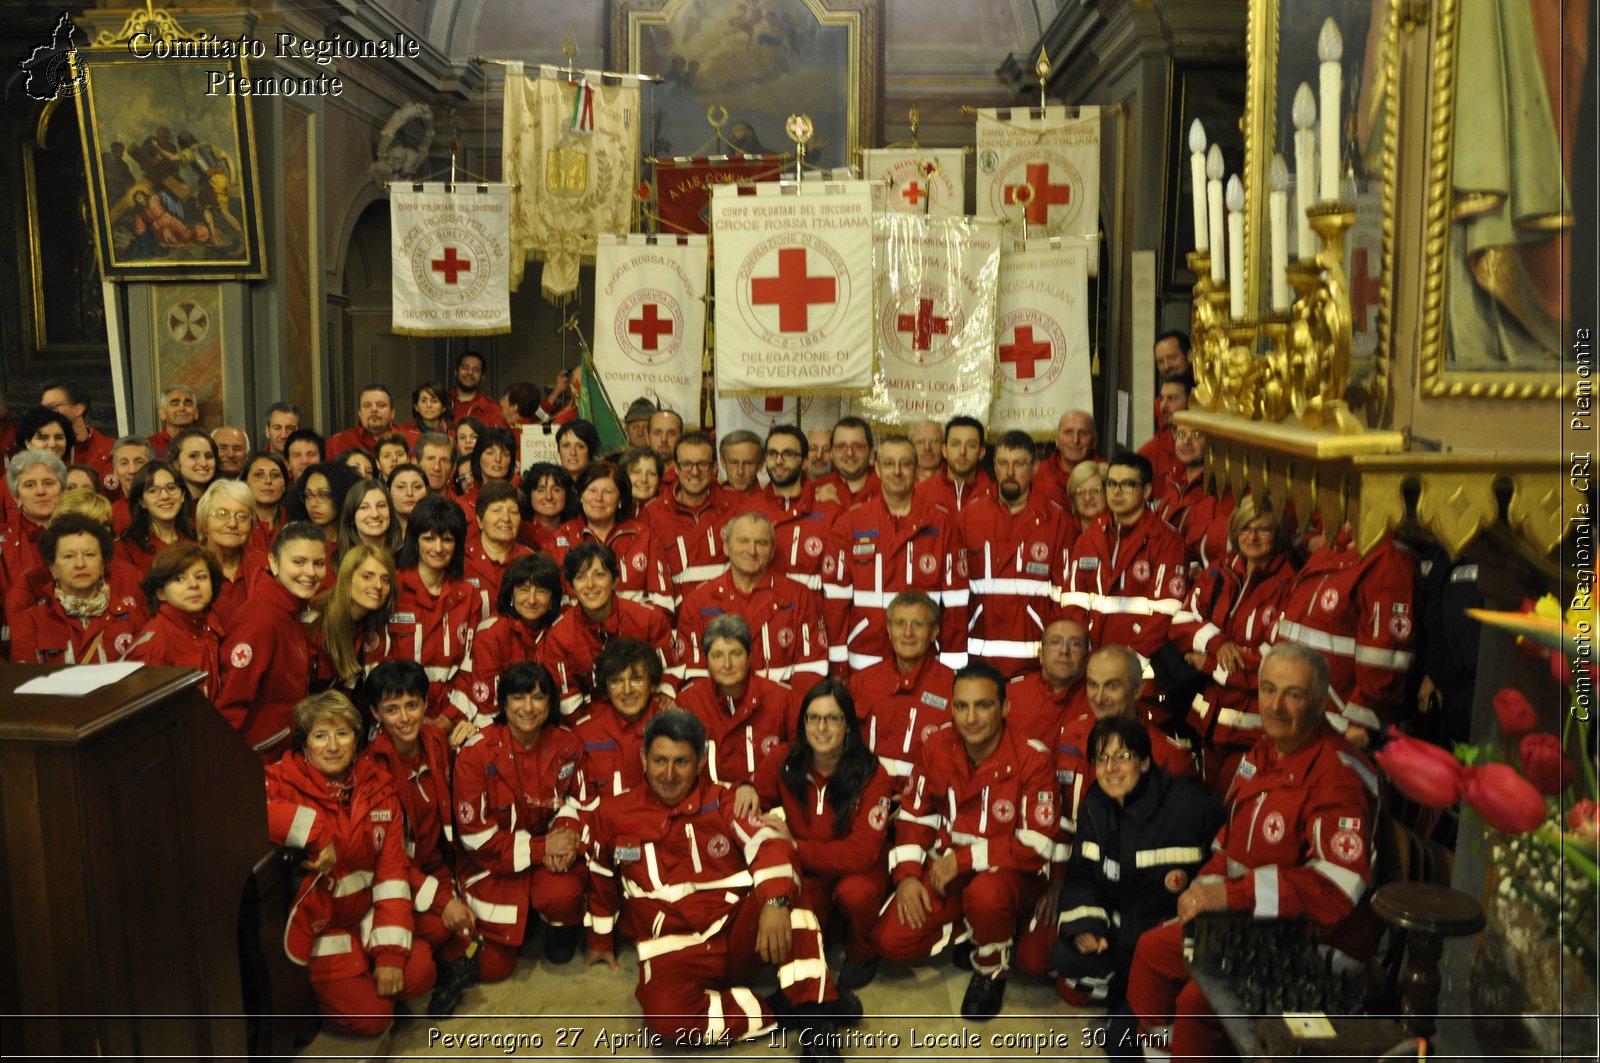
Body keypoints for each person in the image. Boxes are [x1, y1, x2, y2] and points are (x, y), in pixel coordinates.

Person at [1127, 644, 1380, 1057]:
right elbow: (1229, 846)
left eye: (1293, 694)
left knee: (1196, 1000)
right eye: (1268, 689)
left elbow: (1336, 890)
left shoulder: (1339, 776)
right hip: (1248, 923)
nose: (1276, 705)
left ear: (1319, 701)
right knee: (1151, 951)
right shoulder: (1262, 753)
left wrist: (1230, 895)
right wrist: (1203, 894)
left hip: (1314, 942)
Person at [572, 708, 860, 1051]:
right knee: (666, 1022)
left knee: (786, 887)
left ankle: (817, 1024)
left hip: (739, 935)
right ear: (643, 758)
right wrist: (601, 940)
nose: (668, 774)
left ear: (699, 762)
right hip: (672, 950)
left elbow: (769, 844)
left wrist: (775, 904)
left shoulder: (724, 799)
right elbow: (601, 874)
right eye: (660, 760)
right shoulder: (613, 813)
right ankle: (785, 1010)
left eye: (681, 762)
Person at [870, 661, 1058, 1021]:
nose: (970, 718)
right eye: (961, 706)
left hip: (1011, 876)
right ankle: (979, 928)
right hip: (949, 871)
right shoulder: (937, 745)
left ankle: (991, 968)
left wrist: (966, 859)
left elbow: (1038, 843)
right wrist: (908, 875)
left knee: (987, 895)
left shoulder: (1033, 757)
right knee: (889, 940)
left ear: (1004, 708)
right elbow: (914, 814)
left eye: (983, 705)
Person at [264, 691, 436, 1035]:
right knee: (373, 1018)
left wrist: (389, 957)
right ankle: (324, 999)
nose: (332, 746)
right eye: (320, 735)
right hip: (320, 934)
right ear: (303, 743)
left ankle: (369, 982)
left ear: (357, 740)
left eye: (342, 733)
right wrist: (313, 831)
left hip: (363, 916)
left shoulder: (377, 787)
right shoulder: (281, 780)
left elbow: (391, 878)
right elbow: (242, 807)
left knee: (420, 972)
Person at [1040, 715, 1222, 1026]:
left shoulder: (1188, 805)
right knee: (1065, 956)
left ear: (1146, 762)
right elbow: (1082, 878)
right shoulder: (1094, 808)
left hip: (1170, 940)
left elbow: (1222, 868)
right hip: (1119, 932)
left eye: (1123, 756)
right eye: (1102, 758)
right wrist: (1091, 929)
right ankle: (1126, 988)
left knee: (1121, 1045)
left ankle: (1148, 995)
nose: (1111, 768)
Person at [752, 678, 894, 990]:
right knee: (793, 926)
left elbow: (861, 854)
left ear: (848, 725)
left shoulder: (873, 774)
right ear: (803, 724)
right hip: (811, 871)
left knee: (856, 895)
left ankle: (861, 950)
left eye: (832, 718)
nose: (822, 727)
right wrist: (745, 790)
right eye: (813, 718)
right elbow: (753, 803)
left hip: (857, 873)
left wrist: (795, 846)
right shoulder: (783, 760)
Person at [359, 660, 479, 1019]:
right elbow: (389, 861)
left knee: (476, 935)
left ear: (426, 705)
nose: (405, 718)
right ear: (375, 713)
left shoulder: (435, 739)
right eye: (391, 710)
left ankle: (445, 951)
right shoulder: (373, 770)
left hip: (437, 865)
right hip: (397, 879)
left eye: (412, 705)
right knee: (442, 930)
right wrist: (444, 901)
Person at [454, 660, 587, 979]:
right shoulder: (475, 754)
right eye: (518, 697)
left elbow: (576, 800)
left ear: (550, 703)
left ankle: (558, 926)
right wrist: (543, 848)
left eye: (538, 697)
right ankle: (525, 919)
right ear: (503, 702)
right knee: (492, 969)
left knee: (562, 896)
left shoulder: (566, 743)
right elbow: (476, 838)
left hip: (549, 856)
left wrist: (566, 839)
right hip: (494, 863)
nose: (528, 707)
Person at [1171, 498, 1299, 787]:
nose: (1252, 537)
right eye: (1245, 528)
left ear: (1279, 534)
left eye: (1263, 529)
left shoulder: (1291, 584)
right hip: (1204, 722)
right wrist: (1218, 643)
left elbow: (1271, 662)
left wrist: (1208, 663)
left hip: (1251, 730)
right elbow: (1181, 622)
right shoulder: (1219, 571)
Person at [822, 435, 968, 672]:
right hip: (865, 657)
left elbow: (956, 603)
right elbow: (835, 602)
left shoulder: (942, 523)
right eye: (889, 464)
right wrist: (838, 663)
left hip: (925, 659)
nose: (897, 471)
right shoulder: (851, 523)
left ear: (917, 469)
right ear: (877, 469)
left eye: (905, 464)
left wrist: (952, 667)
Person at [1269, 525, 1419, 742]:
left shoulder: (1390, 561)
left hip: (1340, 723)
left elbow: (1386, 654)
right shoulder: (1330, 550)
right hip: (1300, 707)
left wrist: (1362, 720)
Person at [1058, 451, 1188, 673]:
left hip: (1142, 669)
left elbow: (1166, 613)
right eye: (1111, 484)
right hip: (1093, 658)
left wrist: (1129, 660)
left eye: (1127, 484)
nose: (1117, 491)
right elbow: (1072, 599)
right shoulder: (1092, 535)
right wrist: (1086, 646)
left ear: (1146, 491)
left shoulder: (1166, 540)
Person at [960, 430, 1076, 678]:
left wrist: (1052, 651)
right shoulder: (969, 517)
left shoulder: (1056, 521)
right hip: (976, 657)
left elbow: (1065, 597)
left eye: (1019, 464)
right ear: (994, 466)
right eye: (1003, 463)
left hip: (1032, 661)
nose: (1009, 472)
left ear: (1034, 466)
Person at [216, 521, 326, 761]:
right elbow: (232, 705)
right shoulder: (260, 620)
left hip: (282, 752)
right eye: (298, 562)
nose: (310, 572)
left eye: (318, 563)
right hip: (258, 760)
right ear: (274, 563)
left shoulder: (289, 609)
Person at [679, 512, 827, 684]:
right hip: (718, 709)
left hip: (784, 707)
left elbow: (812, 667)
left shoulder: (800, 596)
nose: (752, 551)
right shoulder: (698, 601)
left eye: (761, 543)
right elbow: (695, 675)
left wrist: (783, 706)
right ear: (726, 547)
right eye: (743, 541)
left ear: (772, 551)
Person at [538, 542, 681, 717]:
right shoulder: (559, 637)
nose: (590, 585)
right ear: (572, 587)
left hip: (646, 713)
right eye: (581, 577)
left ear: (614, 581)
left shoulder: (649, 619)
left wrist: (663, 695)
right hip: (594, 725)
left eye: (599, 575)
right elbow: (569, 703)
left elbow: (669, 671)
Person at [390, 495, 490, 724]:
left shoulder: (469, 595)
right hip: (399, 718)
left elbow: (474, 663)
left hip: (454, 719)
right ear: (414, 541)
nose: (438, 548)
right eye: (429, 538)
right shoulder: (393, 589)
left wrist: (448, 718)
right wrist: (412, 717)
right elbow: (379, 665)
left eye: (446, 540)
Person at [677, 614, 797, 805]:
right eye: (717, 655)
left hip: (767, 806)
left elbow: (799, 758)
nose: (727, 665)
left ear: (750, 657)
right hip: (706, 808)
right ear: (706, 661)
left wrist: (758, 790)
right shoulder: (688, 702)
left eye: (735, 654)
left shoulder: (782, 699)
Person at [846, 591, 954, 781]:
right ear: (889, 629)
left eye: (918, 624)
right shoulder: (861, 681)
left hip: (923, 804)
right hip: (864, 795)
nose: (908, 633)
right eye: (900, 623)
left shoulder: (953, 687)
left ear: (934, 632)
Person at [10, 512, 145, 663]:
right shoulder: (31, 623)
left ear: (103, 565)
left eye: (89, 555)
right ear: (53, 568)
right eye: (69, 556)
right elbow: (28, 682)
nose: (80, 564)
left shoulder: (130, 619)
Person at [454, 553, 562, 726]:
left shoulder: (559, 630)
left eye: (541, 591)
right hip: (500, 724)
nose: (532, 600)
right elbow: (488, 705)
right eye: (524, 590)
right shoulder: (491, 634)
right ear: (511, 594)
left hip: (547, 721)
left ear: (552, 599)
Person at [552, 463, 672, 614]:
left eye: (608, 492)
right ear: (581, 496)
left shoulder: (643, 537)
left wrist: (630, 625)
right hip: (580, 634)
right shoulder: (562, 538)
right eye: (592, 490)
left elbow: (662, 602)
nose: (599, 498)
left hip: (635, 632)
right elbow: (557, 604)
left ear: (621, 499)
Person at [564, 638, 668, 807]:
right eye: (617, 681)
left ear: (652, 684)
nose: (627, 690)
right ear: (606, 688)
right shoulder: (584, 734)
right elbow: (579, 804)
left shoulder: (674, 727)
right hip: (606, 828)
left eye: (636, 679)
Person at [640, 432, 734, 607]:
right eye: (686, 464)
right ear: (675, 468)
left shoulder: (735, 508)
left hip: (728, 621)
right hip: (676, 623)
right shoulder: (652, 514)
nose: (695, 472)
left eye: (702, 464)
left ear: (714, 468)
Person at [123, 542, 226, 699]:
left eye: (201, 577)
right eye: (179, 579)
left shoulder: (208, 622)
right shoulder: (153, 645)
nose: (193, 585)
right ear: (161, 593)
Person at [753, 425, 842, 593]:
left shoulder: (830, 511)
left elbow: (837, 580)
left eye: (788, 454)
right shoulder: (747, 509)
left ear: (805, 462)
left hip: (812, 613)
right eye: (772, 453)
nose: (779, 461)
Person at [309, 544, 397, 706]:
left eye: (385, 580)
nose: (378, 586)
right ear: (347, 578)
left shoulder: (370, 626)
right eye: (367, 576)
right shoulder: (315, 623)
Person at [0, 449, 68, 641]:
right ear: (16, 497)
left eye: (48, 483)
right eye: (29, 485)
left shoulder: (86, 535)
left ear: (64, 490)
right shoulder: (3, 544)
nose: (40, 491)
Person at [1155, 423, 1235, 570]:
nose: (1186, 441)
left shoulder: (1224, 491)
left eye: (1196, 435)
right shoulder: (1173, 484)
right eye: (1181, 435)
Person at [1004, 617, 1092, 745]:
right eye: (1056, 643)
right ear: (1041, 655)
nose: (1064, 651)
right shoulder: (1011, 694)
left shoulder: (1098, 700)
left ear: (1087, 658)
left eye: (1076, 644)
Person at [195, 478, 269, 628]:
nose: (232, 524)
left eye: (242, 516)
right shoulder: (186, 567)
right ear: (203, 522)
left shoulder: (265, 567)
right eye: (222, 514)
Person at [114, 461, 196, 578]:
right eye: (153, 490)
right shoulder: (126, 547)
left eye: (171, 488)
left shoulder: (196, 539)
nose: (165, 496)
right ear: (141, 501)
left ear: (182, 495)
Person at [464, 480, 532, 604]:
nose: (506, 518)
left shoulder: (531, 561)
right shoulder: (461, 559)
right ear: (479, 520)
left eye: (513, 512)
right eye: (497, 510)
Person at [41, 382, 115, 494]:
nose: (45, 414)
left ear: (78, 409)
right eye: (43, 409)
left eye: (52, 408)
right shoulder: (41, 452)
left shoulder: (112, 450)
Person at [914, 416, 995, 513]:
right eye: (955, 444)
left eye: (971, 445)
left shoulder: (995, 496)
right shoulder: (920, 494)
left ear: (981, 452)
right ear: (944, 450)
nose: (962, 452)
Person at [1033, 409, 1102, 513]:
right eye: (1068, 432)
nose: (1075, 440)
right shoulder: (1037, 474)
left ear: (1094, 442)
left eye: (1083, 433)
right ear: (1056, 440)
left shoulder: (1107, 474)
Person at [1140, 373, 1193, 504]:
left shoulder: (1201, 449)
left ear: (1191, 401)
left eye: (1172, 399)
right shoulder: (1148, 453)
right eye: (1162, 398)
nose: (1163, 406)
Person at [327, 384, 418, 459]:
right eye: (367, 406)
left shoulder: (415, 440)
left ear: (392, 413)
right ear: (359, 413)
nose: (373, 410)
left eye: (381, 405)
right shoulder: (336, 443)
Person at [816, 417, 879, 505]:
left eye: (858, 446)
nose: (850, 453)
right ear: (831, 452)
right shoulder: (816, 490)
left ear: (871, 452)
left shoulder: (890, 488)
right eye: (841, 446)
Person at [336, 478, 401, 559]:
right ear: (351, 516)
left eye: (381, 506)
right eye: (364, 507)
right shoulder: (336, 560)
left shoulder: (406, 556)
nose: (375, 514)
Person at [518, 461, 574, 554]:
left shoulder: (576, 530)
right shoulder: (520, 531)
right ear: (529, 495)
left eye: (556, 490)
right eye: (541, 490)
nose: (548, 497)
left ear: (566, 495)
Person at [243, 451, 290, 554]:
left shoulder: (295, 523)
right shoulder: (237, 523)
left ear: (284, 486)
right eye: (259, 475)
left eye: (275, 475)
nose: (268, 480)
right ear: (245, 483)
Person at [448, 350, 504, 426]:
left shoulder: (493, 409)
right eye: (465, 368)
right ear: (456, 372)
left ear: (483, 377)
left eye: (476, 370)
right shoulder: (442, 401)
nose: (470, 373)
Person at [110, 436, 154, 529]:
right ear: (115, 471)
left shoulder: (166, 505)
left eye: (139, 462)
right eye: (124, 463)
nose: (132, 470)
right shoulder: (109, 515)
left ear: (152, 467)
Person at [169, 428, 219, 504]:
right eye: (193, 456)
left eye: (208, 456)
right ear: (176, 463)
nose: (204, 463)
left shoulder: (224, 500)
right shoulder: (168, 504)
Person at [148, 384, 199, 458]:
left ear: (196, 413)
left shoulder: (205, 444)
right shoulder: (149, 445)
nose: (182, 408)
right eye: (175, 404)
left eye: (187, 404)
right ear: (162, 414)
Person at [1065, 458, 1109, 537]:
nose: (1088, 497)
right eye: (1080, 492)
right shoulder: (1064, 531)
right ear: (1073, 498)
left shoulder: (1117, 532)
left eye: (1096, 490)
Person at [619, 447, 663, 517]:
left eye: (651, 473)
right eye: (636, 472)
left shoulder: (666, 512)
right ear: (624, 476)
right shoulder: (612, 509)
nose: (644, 479)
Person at [387, 463, 429, 537]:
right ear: (388, 492)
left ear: (427, 491)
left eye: (417, 487)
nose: (409, 493)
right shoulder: (380, 531)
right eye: (401, 487)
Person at [718, 430, 764, 495]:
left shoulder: (771, 503)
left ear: (760, 464)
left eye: (748, 463)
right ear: (723, 462)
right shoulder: (712, 500)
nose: (740, 472)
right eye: (733, 462)